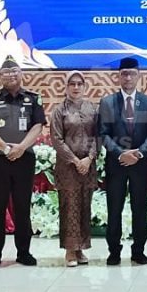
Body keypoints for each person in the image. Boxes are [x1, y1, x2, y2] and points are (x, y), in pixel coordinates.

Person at [0, 55, 46, 268]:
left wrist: (21, 147)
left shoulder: (33, 98)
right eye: (6, 72)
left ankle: (24, 252)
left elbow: (37, 126)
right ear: (0, 76)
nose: (10, 75)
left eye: (14, 71)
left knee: (22, 207)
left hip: (24, 159)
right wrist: (6, 148)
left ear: (21, 74)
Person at [98, 56, 147, 265]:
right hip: (116, 165)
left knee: (139, 209)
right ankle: (114, 251)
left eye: (132, 74)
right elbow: (103, 134)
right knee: (114, 209)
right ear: (119, 76)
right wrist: (120, 153)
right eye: (124, 74)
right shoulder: (107, 102)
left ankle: (138, 250)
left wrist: (139, 153)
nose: (128, 78)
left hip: (140, 165)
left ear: (138, 76)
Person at [50, 70, 99, 267]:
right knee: (69, 206)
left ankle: (80, 248)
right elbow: (56, 139)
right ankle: (70, 250)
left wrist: (89, 158)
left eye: (79, 84)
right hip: (67, 168)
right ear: (66, 86)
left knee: (84, 206)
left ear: (84, 86)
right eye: (72, 84)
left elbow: (98, 136)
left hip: (88, 167)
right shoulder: (59, 110)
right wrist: (75, 160)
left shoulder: (92, 109)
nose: (76, 87)